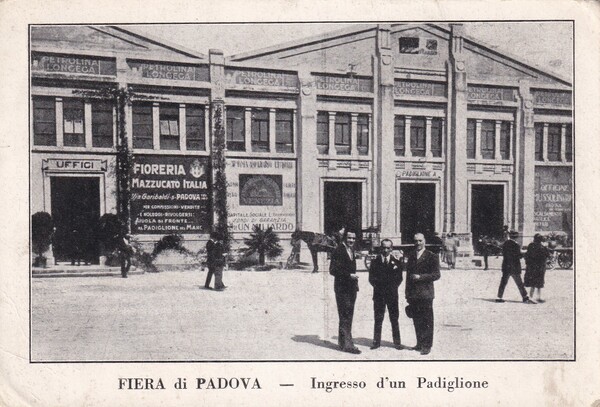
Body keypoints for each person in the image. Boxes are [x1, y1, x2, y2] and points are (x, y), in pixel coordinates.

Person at [405, 233, 440, 355]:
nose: (418, 243)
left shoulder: (432, 256)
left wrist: (420, 277)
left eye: (420, 241)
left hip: (426, 294)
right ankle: (419, 343)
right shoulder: (411, 256)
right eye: (416, 241)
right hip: (414, 294)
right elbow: (408, 277)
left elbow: (436, 275)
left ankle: (427, 345)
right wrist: (407, 294)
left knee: (427, 320)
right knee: (417, 319)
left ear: (424, 241)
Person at [368, 239, 403, 350]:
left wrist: (391, 288)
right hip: (379, 295)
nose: (386, 250)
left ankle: (397, 342)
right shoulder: (375, 262)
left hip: (392, 295)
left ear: (391, 249)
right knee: (378, 318)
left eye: (388, 248)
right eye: (384, 247)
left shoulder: (396, 262)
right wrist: (380, 288)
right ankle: (376, 342)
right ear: (381, 248)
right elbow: (371, 279)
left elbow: (399, 279)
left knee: (394, 318)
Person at [329, 230, 360, 354]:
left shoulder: (351, 250)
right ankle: (348, 345)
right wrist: (349, 276)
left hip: (351, 288)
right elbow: (332, 270)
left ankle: (343, 343)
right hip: (342, 288)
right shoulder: (338, 250)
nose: (351, 240)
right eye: (349, 238)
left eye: (353, 238)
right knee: (345, 315)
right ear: (344, 238)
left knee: (348, 314)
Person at [496, 231, 536, 304]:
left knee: (503, 282)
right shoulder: (516, 245)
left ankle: (499, 297)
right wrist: (524, 254)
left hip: (506, 266)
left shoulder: (505, 243)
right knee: (519, 283)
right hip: (514, 266)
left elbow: (504, 253)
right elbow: (518, 256)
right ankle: (525, 297)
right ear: (516, 237)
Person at [524, 234, 550, 303]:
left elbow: (527, 256)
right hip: (540, 267)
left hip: (532, 267)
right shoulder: (542, 247)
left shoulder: (531, 246)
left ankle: (532, 297)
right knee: (539, 282)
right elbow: (547, 255)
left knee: (533, 282)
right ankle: (537, 297)